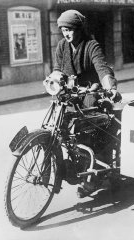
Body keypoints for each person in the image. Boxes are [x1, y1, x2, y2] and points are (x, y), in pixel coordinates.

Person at [50, 9, 120, 197]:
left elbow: (102, 69)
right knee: (60, 127)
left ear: (79, 28)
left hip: (91, 92)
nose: (67, 33)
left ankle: (95, 174)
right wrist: (53, 78)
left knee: (90, 129)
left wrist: (110, 87)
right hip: (71, 95)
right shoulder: (61, 47)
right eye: (64, 29)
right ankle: (71, 162)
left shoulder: (91, 45)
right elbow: (57, 69)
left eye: (70, 29)